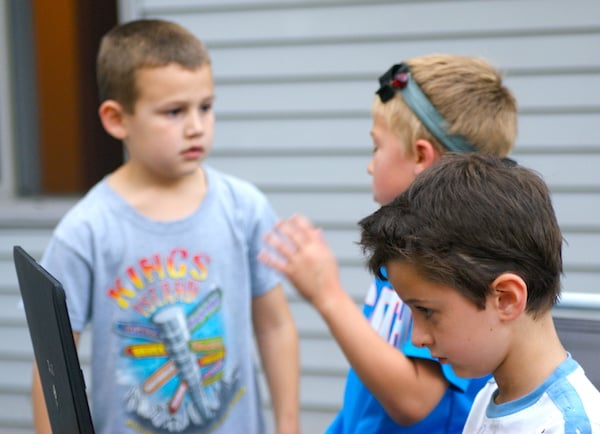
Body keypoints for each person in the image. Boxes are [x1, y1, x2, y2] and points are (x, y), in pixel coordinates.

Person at [31, 19, 299, 434]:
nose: (196, 126)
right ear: (117, 119)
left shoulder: (244, 208)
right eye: (174, 111)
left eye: (205, 107)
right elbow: (51, 360)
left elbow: (275, 325)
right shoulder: (86, 230)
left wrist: (289, 425)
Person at [259, 54, 517, 433]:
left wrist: (327, 295)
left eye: (376, 146)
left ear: (419, 155)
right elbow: (364, 402)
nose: (369, 164)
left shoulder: (448, 260)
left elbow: (414, 401)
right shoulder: (403, 249)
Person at [358, 153, 600, 433]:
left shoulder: (569, 427)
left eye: (426, 311)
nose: (417, 338)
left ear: (506, 298)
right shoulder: (489, 396)